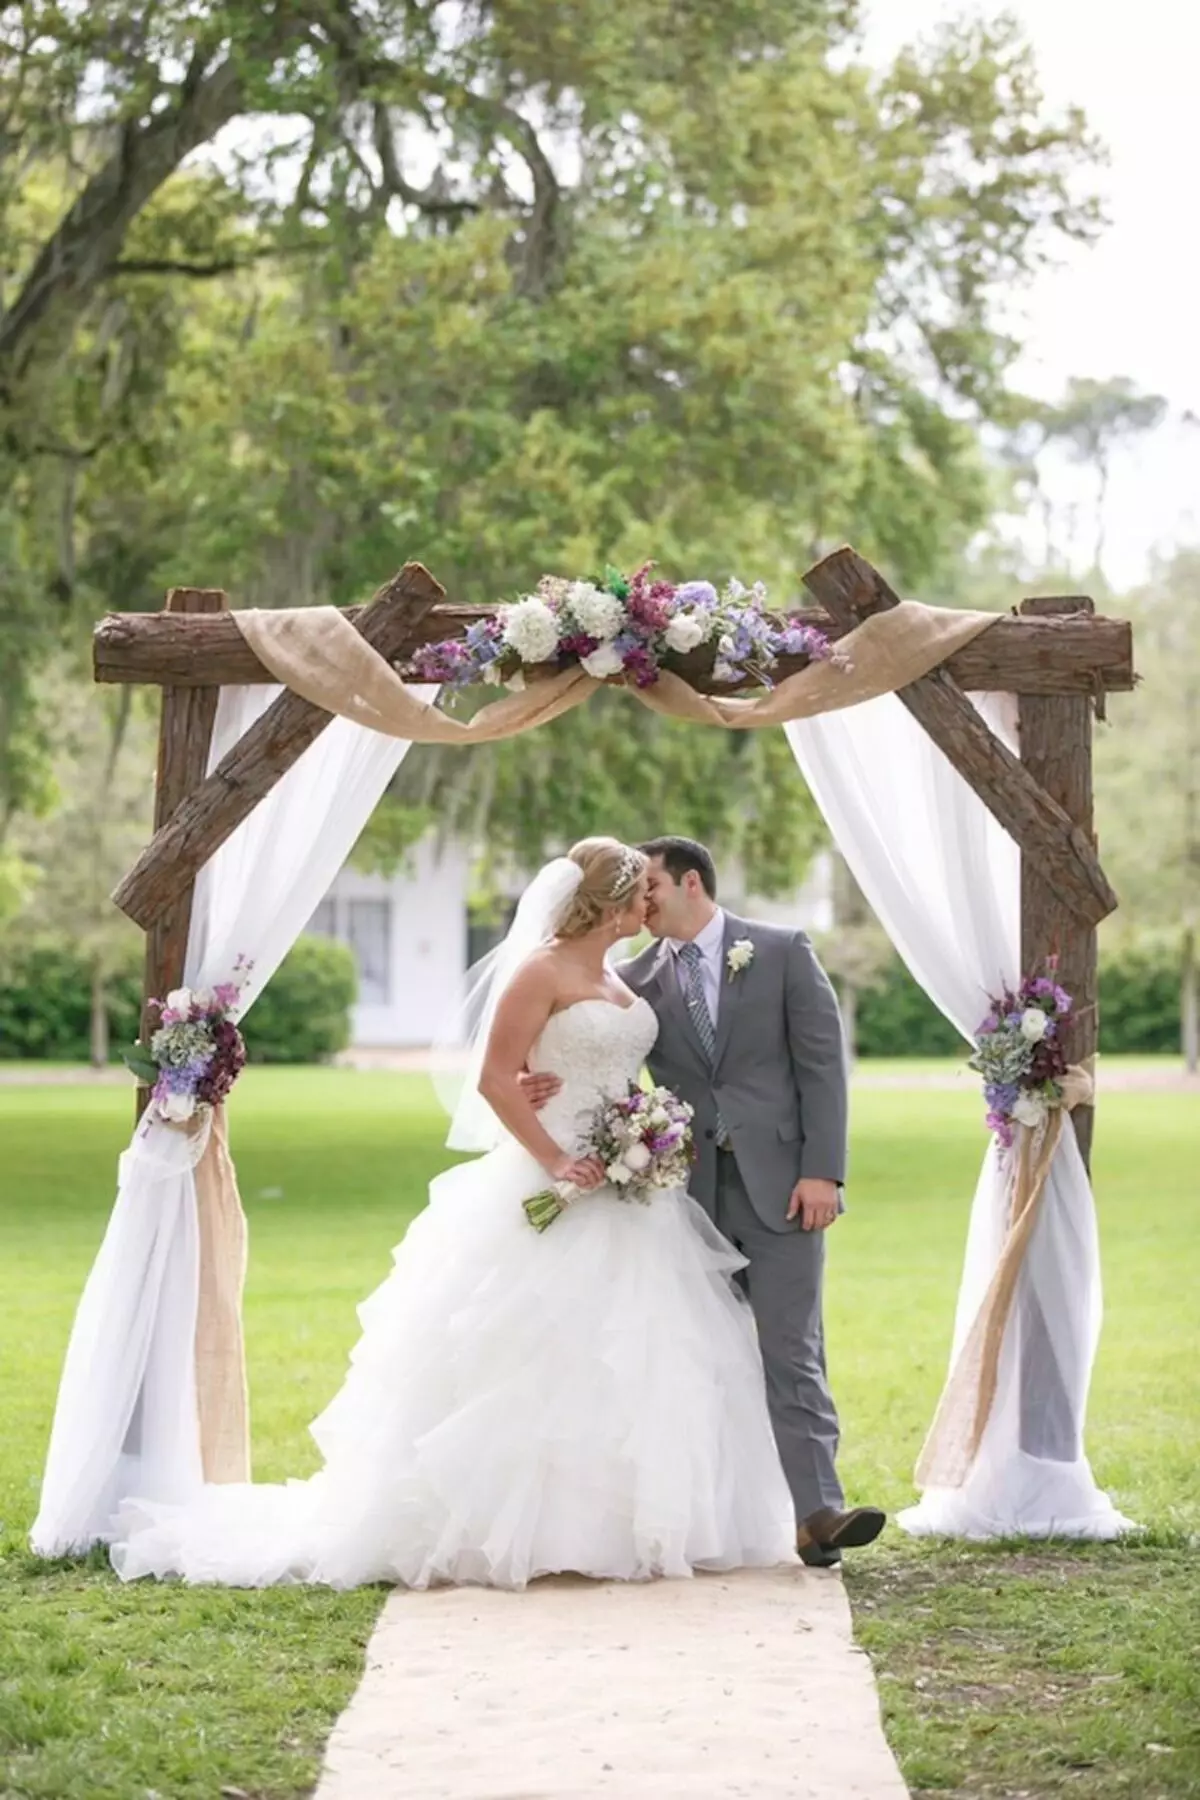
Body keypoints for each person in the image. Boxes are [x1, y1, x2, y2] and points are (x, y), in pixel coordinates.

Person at [109, 838, 795, 1589]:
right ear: (613, 899)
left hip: (630, 1188)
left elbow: (613, 1069)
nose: (651, 904)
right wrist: (557, 1157)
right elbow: (499, 1079)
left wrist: (641, 1132)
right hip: (553, 1176)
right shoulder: (540, 970)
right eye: (642, 893)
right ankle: (517, 1530)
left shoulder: (619, 976)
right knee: (530, 1352)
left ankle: (634, 1524)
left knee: (647, 1351)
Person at [524, 836, 885, 1568]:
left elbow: (822, 1068)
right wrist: (538, 1078)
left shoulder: (782, 951)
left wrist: (824, 1171)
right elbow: (581, 1043)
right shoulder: (632, 979)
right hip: (679, 1201)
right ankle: (711, 1516)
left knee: (792, 1347)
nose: (640, 899)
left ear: (693, 883)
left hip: (784, 1188)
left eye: (650, 883)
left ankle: (819, 1511)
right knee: (697, 1359)